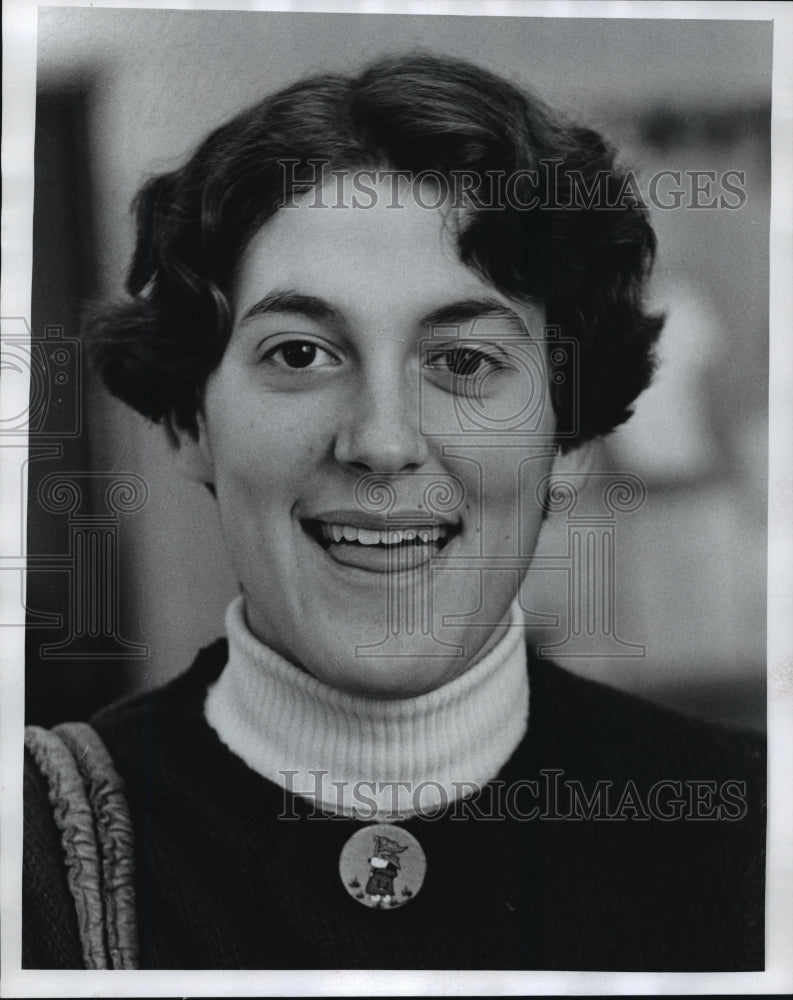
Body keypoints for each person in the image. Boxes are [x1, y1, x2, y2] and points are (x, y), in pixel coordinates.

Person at [23, 53, 764, 971]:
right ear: (188, 419)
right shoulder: (36, 856)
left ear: (566, 438)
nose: (379, 442)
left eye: (461, 362)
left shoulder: (747, 833)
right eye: (299, 354)